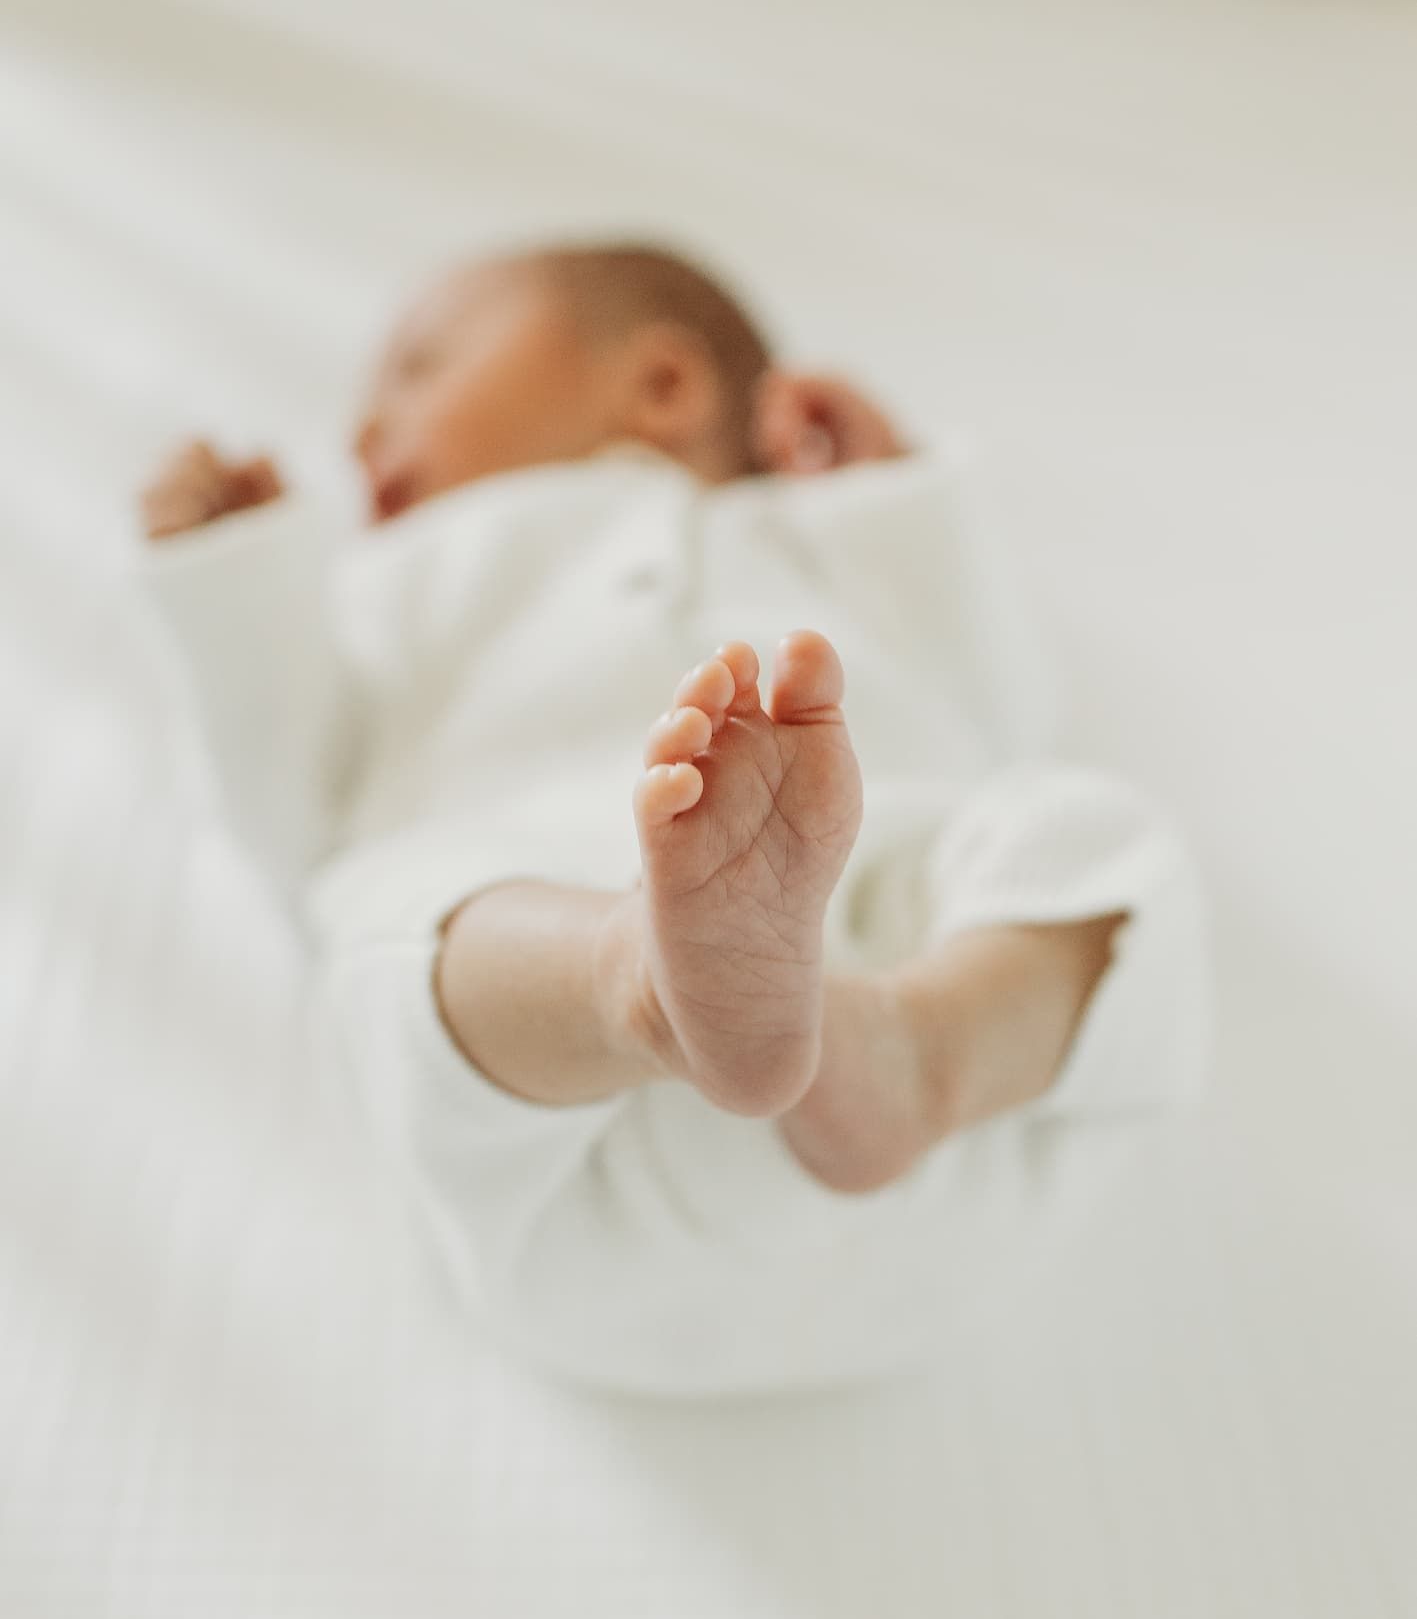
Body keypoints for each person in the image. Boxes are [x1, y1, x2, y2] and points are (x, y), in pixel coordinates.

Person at [140, 242, 1208, 1394]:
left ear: (662, 385)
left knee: (1090, 835)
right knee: (403, 925)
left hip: (906, 1046)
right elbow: (290, 811)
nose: (360, 433)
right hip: (556, 1121)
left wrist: (891, 507)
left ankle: (920, 1045)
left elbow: (1000, 704)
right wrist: (236, 583)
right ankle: (639, 979)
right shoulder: (391, 586)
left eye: (420, 368)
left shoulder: (808, 540)